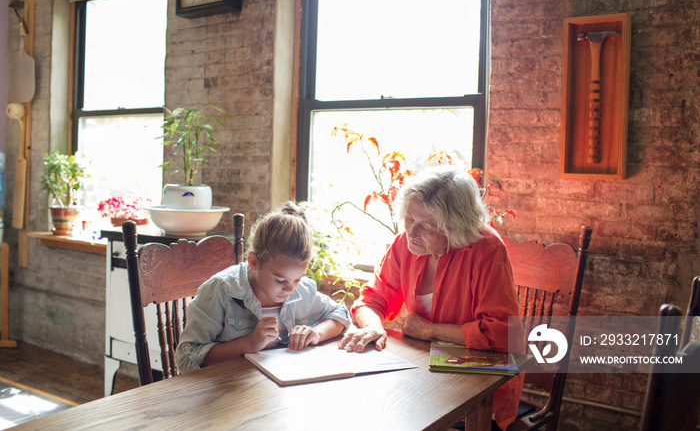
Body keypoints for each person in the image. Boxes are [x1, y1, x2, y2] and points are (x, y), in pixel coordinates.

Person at [337, 166, 525, 431]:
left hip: (481, 394)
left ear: (454, 227)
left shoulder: (486, 249)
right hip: (423, 380)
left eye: (425, 226)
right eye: (409, 219)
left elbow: (504, 334)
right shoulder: (406, 242)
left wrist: (429, 331)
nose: (411, 233)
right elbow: (372, 299)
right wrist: (372, 326)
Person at [176, 201, 352, 374]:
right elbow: (186, 359)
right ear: (254, 261)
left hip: (278, 389)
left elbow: (340, 315)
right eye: (279, 280)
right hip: (228, 392)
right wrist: (247, 344)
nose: (290, 289)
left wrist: (316, 333)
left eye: (298, 278)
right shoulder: (221, 290)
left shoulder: (302, 290)